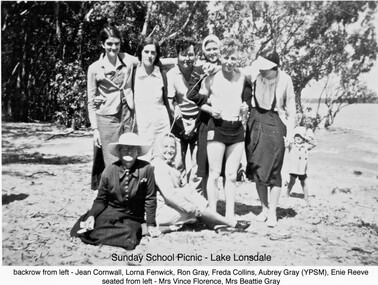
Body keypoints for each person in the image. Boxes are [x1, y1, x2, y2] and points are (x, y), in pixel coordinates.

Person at [71, 132, 160, 250]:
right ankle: (99, 230)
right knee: (86, 226)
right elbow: (101, 200)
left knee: (130, 236)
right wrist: (92, 215)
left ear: (138, 152)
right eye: (125, 148)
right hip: (111, 210)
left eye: (132, 149)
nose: (128, 151)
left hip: (132, 216)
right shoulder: (109, 170)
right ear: (119, 152)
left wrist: (150, 224)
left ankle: (131, 232)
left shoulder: (146, 169)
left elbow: (150, 198)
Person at [151, 133, 251, 233]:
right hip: (160, 211)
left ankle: (220, 225)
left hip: (169, 205)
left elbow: (184, 187)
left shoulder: (168, 164)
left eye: (172, 147)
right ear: (158, 147)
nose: (169, 150)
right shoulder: (159, 166)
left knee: (194, 200)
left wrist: (198, 201)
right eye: (165, 146)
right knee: (191, 213)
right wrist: (192, 208)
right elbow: (170, 195)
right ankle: (230, 223)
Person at [197, 38, 249, 225]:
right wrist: (211, 110)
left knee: (232, 175)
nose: (229, 61)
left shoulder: (242, 77)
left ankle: (230, 213)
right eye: (225, 57)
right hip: (217, 128)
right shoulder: (211, 77)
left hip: (236, 129)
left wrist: (245, 105)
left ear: (238, 59)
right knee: (214, 172)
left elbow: (246, 97)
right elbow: (197, 99)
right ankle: (212, 212)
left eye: (233, 58)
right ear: (220, 57)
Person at [244, 50, 296, 227]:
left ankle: (273, 212)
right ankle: (264, 209)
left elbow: (291, 111)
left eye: (266, 69)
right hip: (255, 121)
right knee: (257, 167)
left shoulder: (285, 80)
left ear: (275, 67)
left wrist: (290, 136)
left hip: (276, 123)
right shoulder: (254, 74)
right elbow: (234, 71)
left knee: (274, 170)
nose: (263, 71)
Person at [87, 25, 136, 189]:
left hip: (127, 115)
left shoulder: (128, 60)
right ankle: (112, 198)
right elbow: (91, 100)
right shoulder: (94, 68)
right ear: (102, 44)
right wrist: (95, 129)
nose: (113, 47)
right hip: (106, 118)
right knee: (111, 161)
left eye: (116, 43)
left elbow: (149, 59)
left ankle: (127, 196)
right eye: (109, 44)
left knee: (128, 156)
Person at [186, 35, 222, 196]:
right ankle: (202, 202)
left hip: (225, 121)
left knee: (222, 165)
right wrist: (209, 102)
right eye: (208, 49)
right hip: (207, 120)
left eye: (215, 48)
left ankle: (218, 205)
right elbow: (191, 94)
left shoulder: (228, 66)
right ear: (204, 51)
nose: (212, 52)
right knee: (204, 163)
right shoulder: (200, 69)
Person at [167, 37, 201, 189]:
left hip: (198, 121)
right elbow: (170, 99)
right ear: (177, 56)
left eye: (191, 54)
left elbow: (206, 100)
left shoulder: (200, 73)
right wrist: (176, 108)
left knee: (197, 165)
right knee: (178, 164)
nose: (188, 58)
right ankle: (179, 198)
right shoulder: (172, 74)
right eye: (184, 54)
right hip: (179, 123)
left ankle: (195, 200)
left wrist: (195, 123)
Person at [133, 37, 173, 159]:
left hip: (161, 124)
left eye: (153, 52)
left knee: (162, 158)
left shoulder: (161, 73)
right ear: (140, 52)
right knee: (143, 161)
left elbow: (167, 99)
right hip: (142, 125)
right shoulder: (134, 73)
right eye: (146, 52)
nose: (149, 55)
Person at [285, 126, 316, 202]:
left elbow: (314, 144)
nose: (298, 137)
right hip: (293, 169)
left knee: (304, 183)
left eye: (301, 136)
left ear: (303, 138)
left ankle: (306, 197)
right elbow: (286, 144)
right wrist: (287, 141)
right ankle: (287, 193)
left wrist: (308, 137)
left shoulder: (305, 146)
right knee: (292, 182)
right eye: (297, 135)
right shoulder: (291, 145)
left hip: (302, 169)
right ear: (294, 137)